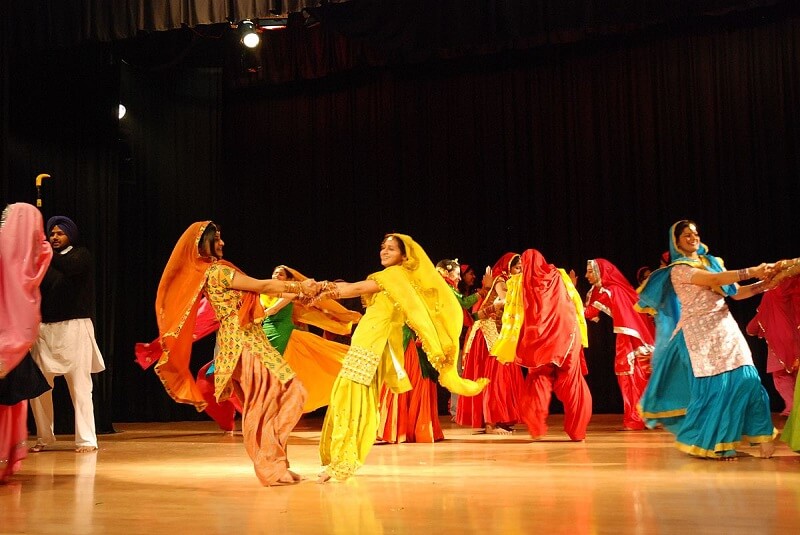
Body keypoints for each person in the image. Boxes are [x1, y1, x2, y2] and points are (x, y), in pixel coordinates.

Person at [154, 221, 318, 485]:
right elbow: (263, 287)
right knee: (282, 394)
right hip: (245, 342)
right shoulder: (218, 271)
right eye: (217, 238)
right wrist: (301, 287)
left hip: (244, 340)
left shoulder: (211, 272)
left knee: (268, 401)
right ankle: (271, 467)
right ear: (204, 243)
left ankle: (277, 465)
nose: (222, 243)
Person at [316, 234, 488, 482]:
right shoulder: (403, 280)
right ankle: (339, 460)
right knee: (351, 398)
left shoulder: (393, 276)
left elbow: (351, 289)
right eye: (382, 247)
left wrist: (309, 288)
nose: (383, 252)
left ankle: (341, 462)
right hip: (369, 342)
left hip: (371, 345)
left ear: (404, 256)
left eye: (391, 249)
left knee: (350, 399)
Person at [637, 220, 776, 460]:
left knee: (749, 380)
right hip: (698, 334)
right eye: (686, 235)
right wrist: (753, 271)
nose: (693, 237)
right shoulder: (678, 269)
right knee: (716, 388)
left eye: (695, 233)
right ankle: (714, 443)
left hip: (726, 329)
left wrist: (766, 284)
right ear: (677, 242)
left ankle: (761, 436)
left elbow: (737, 293)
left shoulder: (713, 263)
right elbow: (714, 281)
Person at [492, 249, 592, 441]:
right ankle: (578, 431)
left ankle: (536, 427)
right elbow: (576, 302)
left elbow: (508, 306)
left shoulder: (518, 282)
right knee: (572, 381)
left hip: (539, 340)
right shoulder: (560, 275)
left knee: (538, 379)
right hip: (567, 336)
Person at [29, 216, 105, 453]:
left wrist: (44, 253)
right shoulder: (45, 261)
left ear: (70, 236)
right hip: (45, 329)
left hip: (74, 327)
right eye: (52, 234)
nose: (54, 237)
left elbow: (70, 268)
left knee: (80, 385)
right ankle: (44, 437)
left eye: (60, 233)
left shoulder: (80, 255)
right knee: (38, 387)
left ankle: (86, 439)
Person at [0, 203, 52, 483]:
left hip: (7, 342)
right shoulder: (22, 260)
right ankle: (5, 460)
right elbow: (42, 254)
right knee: (9, 403)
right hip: (10, 341)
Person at [456, 253, 523, 435]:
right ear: (508, 268)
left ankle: (500, 419)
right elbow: (508, 301)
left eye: (521, 268)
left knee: (502, 374)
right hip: (488, 333)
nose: (520, 271)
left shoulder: (511, 282)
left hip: (497, 331)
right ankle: (490, 423)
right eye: (517, 268)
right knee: (494, 375)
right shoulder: (501, 280)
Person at [584, 258, 655, 430]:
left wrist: (567, 295)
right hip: (638, 338)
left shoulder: (611, 291)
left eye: (590, 271)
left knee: (628, 376)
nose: (587, 275)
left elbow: (589, 313)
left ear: (601, 272)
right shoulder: (615, 289)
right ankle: (644, 418)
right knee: (637, 378)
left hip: (630, 338)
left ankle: (635, 419)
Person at [746, 275, 800, 416]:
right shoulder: (797, 291)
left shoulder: (771, 293)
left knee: (781, 376)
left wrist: (753, 329)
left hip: (779, 341)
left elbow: (752, 327)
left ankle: (792, 408)